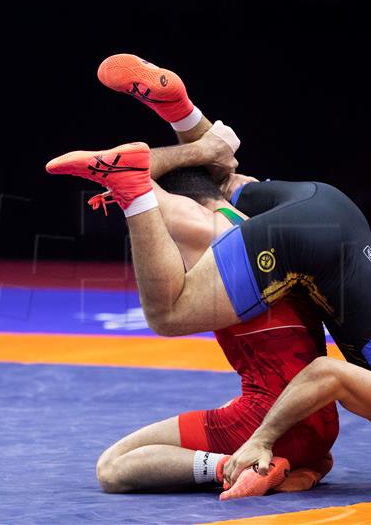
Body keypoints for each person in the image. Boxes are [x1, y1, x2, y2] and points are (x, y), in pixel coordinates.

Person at [47, 55, 371, 488]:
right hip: (309, 251)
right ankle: (134, 187)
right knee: (169, 314)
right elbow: (326, 373)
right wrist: (262, 441)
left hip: (332, 210)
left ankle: (184, 115)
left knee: (216, 186)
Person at [91, 55, 339, 500]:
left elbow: (131, 173)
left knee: (113, 467)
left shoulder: (187, 222)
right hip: (320, 421)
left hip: (267, 420)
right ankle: (181, 109)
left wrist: (202, 152)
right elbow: (226, 175)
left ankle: (235, 465)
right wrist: (208, 148)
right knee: (229, 174)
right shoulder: (254, 222)